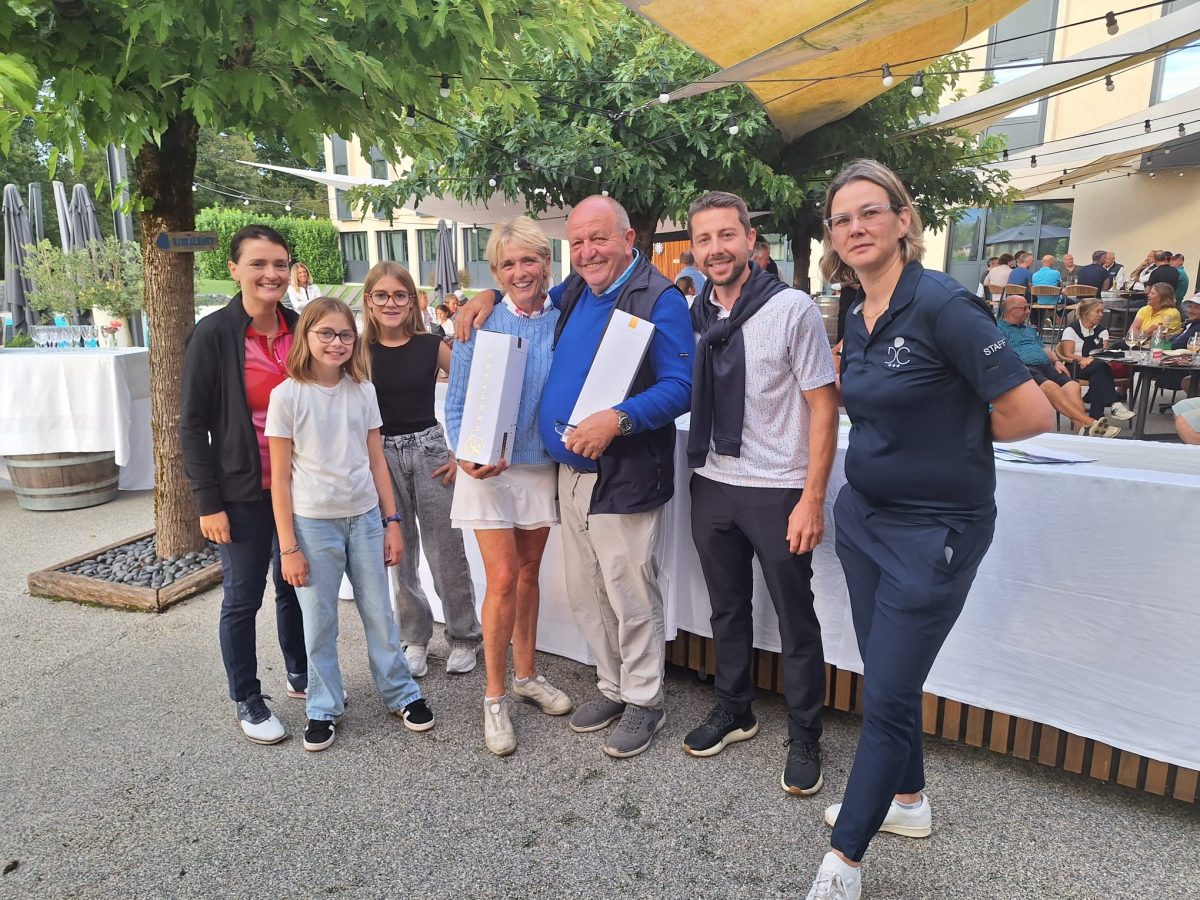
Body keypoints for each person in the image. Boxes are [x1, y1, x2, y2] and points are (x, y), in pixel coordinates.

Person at [803, 159, 1054, 900]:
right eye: (842, 219)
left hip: (935, 531)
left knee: (885, 696)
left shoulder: (944, 305)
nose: (856, 228)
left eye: (870, 212)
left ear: (902, 219)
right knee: (889, 676)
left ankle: (844, 861)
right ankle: (907, 801)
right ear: (832, 236)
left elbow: (1032, 413)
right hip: (865, 520)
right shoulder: (856, 310)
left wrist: (955, 438)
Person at [457, 195, 693, 759]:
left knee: (630, 591)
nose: (587, 251)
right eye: (578, 242)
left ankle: (645, 700)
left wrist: (618, 419)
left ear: (628, 239)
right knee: (588, 590)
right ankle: (613, 686)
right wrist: (483, 296)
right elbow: (522, 288)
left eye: (599, 238)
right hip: (570, 469)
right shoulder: (578, 290)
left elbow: (682, 385)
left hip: (627, 472)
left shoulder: (658, 298)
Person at [683, 191, 838, 799]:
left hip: (777, 490)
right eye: (704, 239)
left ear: (751, 240)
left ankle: (805, 734)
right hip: (713, 481)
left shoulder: (791, 309)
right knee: (726, 607)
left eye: (727, 235)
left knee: (795, 617)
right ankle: (735, 708)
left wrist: (812, 498)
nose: (716, 249)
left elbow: (823, 406)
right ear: (693, 250)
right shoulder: (697, 312)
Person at [266, 297, 434, 752]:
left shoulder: (363, 391)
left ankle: (401, 692)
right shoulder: (287, 396)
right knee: (319, 620)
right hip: (312, 524)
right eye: (326, 333)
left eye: (345, 334)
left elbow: (376, 461)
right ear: (306, 337)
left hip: (364, 519)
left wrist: (392, 521)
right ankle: (323, 706)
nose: (336, 343)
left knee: (379, 613)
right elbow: (279, 480)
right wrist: (288, 547)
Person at [444, 217, 572, 756]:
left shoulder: (566, 320)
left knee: (527, 573)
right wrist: (465, 453)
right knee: (501, 579)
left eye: (529, 260)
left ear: (547, 263)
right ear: (495, 272)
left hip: (538, 466)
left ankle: (526, 676)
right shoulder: (479, 322)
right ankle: (494, 697)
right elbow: (456, 404)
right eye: (507, 264)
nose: (520, 271)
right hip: (487, 471)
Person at [180, 224, 308, 746]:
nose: (270, 273)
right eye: (258, 263)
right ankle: (248, 698)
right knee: (242, 597)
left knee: (294, 584)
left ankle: (300, 671)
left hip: (300, 488)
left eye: (279, 263)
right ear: (234, 270)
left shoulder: (301, 328)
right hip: (242, 491)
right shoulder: (213, 335)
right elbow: (191, 425)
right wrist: (208, 502)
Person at [361, 260, 481, 679]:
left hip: (429, 452)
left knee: (445, 550)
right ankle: (414, 637)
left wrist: (461, 451)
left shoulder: (430, 345)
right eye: (382, 295)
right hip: (381, 457)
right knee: (401, 553)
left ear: (413, 300)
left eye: (400, 295)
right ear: (369, 300)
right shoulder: (358, 352)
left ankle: (464, 635)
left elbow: (474, 391)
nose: (391, 303)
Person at [997, 296, 1123, 436]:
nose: (1028, 311)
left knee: (1073, 386)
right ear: (1012, 310)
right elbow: (1000, 355)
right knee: (1051, 386)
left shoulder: (1028, 329)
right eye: (1025, 308)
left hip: (1046, 366)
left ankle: (1082, 430)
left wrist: (1057, 361)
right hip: (1024, 367)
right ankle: (1090, 422)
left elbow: (1043, 348)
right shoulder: (998, 329)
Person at [1056, 298, 1135, 421]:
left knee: (1098, 374)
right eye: (1097, 311)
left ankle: (1096, 419)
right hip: (1075, 366)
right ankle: (1114, 404)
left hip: (1095, 366)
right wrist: (1085, 359)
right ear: (1085, 313)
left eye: (1102, 311)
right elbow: (1068, 354)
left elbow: (1102, 352)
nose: (1101, 315)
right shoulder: (1071, 330)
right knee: (1101, 367)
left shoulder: (1102, 330)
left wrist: (1091, 359)